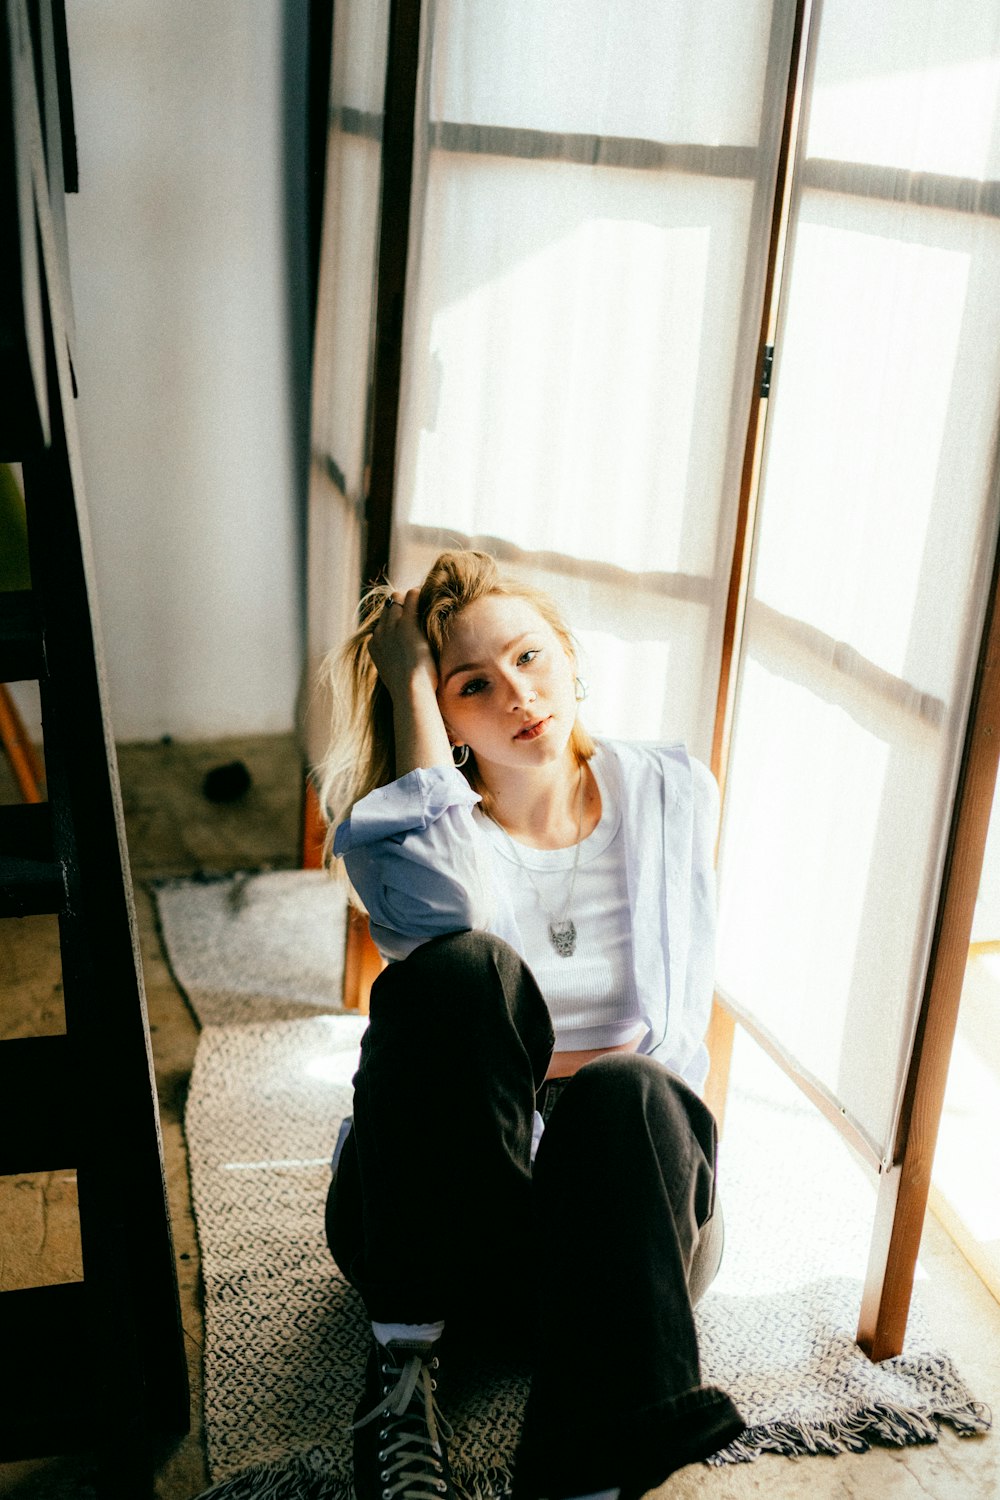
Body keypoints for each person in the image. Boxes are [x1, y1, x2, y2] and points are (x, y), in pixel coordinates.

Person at [317, 550, 744, 1500]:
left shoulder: (671, 794)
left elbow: (677, 1050)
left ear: (571, 658)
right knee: (460, 970)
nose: (518, 693)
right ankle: (404, 1368)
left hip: (621, 1212)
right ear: (446, 717)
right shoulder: (415, 834)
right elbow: (439, 928)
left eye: (530, 657)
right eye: (473, 684)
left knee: (631, 1087)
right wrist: (409, 691)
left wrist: (615, 1128)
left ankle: (584, 1468)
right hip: (441, 1215)